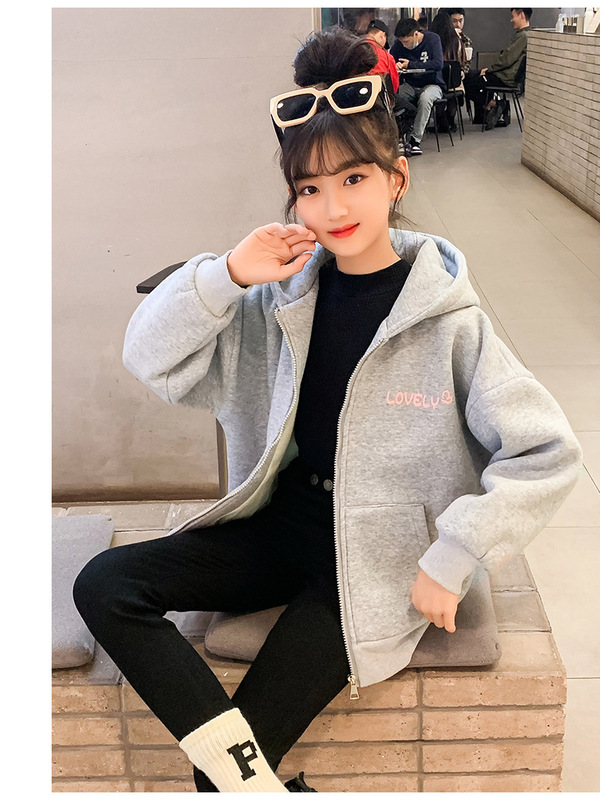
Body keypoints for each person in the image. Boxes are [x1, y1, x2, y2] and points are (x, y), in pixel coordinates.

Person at [73, 25, 581, 794]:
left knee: (221, 778)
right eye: (309, 188)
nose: (332, 206)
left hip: (373, 565)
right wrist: (226, 274)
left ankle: (240, 783)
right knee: (103, 585)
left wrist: (454, 555)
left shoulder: (448, 320)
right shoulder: (280, 298)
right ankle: (257, 786)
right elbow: (149, 358)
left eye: (353, 178)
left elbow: (546, 453)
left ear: (396, 179)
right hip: (281, 530)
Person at [465, 8, 532, 127]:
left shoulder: (523, 36)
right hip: (506, 75)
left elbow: (507, 59)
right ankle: (488, 110)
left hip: (505, 77)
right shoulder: (527, 35)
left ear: (521, 15)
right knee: (472, 75)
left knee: (467, 82)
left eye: (513, 16)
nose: (511, 20)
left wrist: (489, 70)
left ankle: (495, 104)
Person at [390, 17, 446, 155]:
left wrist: (411, 65)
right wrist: (396, 66)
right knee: (396, 97)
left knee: (425, 98)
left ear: (416, 34)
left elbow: (438, 64)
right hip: (410, 84)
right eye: (401, 42)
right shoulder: (398, 45)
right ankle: (399, 137)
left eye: (406, 42)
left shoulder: (432, 40)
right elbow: (391, 60)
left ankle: (415, 140)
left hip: (433, 84)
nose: (404, 45)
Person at [364, 18, 417, 151]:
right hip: (380, 101)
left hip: (355, 101)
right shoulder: (386, 56)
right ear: (382, 35)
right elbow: (394, 85)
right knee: (410, 110)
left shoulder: (352, 50)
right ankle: (395, 142)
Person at [430, 10, 462, 132]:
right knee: (455, 91)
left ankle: (440, 119)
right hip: (453, 81)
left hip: (436, 80)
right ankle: (451, 120)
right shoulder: (456, 40)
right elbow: (460, 60)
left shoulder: (431, 41)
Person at [442, 7, 473, 74]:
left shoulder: (465, 40)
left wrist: (463, 71)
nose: (458, 25)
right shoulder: (442, 38)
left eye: (460, 21)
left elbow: (467, 62)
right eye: (454, 21)